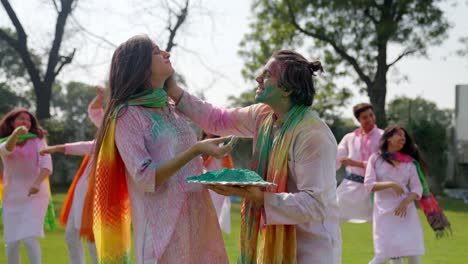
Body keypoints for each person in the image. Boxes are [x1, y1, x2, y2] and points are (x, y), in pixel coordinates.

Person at [165, 49, 342, 264]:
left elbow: (316, 204)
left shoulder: (313, 135)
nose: (258, 78)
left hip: (313, 248)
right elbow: (218, 120)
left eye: (267, 74)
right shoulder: (263, 116)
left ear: (286, 89)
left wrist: (258, 197)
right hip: (273, 238)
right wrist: (172, 90)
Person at [81, 35, 233, 264]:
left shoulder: (170, 107)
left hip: (198, 219)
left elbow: (189, 164)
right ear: (139, 66)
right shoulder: (127, 115)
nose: (166, 54)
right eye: (156, 51)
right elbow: (144, 176)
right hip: (162, 229)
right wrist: (195, 150)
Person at [39, 86, 105, 264]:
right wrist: (100, 97)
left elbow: (83, 145)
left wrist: (56, 148)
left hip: (100, 196)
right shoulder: (101, 140)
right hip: (81, 193)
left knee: (93, 241)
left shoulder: (116, 140)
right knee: (71, 236)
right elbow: (95, 112)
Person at [364, 125, 425, 264]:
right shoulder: (375, 159)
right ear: (388, 138)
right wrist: (391, 184)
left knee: (413, 256)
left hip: (405, 213)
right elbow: (369, 185)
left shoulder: (409, 162)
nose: (403, 138)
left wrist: (405, 202)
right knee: (383, 257)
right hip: (384, 215)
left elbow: (417, 188)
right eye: (399, 134)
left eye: (404, 135)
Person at [0, 108, 53, 264]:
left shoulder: (38, 141)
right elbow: (6, 150)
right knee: (12, 243)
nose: (26, 122)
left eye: (29, 120)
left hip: (35, 196)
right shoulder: (3, 141)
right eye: (21, 119)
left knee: (30, 239)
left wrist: (36, 183)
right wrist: (16, 135)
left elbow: (46, 165)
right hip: (12, 197)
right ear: (11, 122)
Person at [335, 103, 383, 223]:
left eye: (371, 115)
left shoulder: (383, 137)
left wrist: (355, 163)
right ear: (358, 120)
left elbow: (382, 163)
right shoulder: (349, 138)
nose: (370, 119)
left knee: (383, 225)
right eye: (365, 117)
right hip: (349, 188)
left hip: (375, 189)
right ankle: (329, 242)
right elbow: (335, 158)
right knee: (330, 216)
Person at [200, 131, 234, 234]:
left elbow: (228, 166)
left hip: (217, 186)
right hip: (203, 184)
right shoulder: (199, 143)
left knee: (213, 215)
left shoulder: (221, 146)